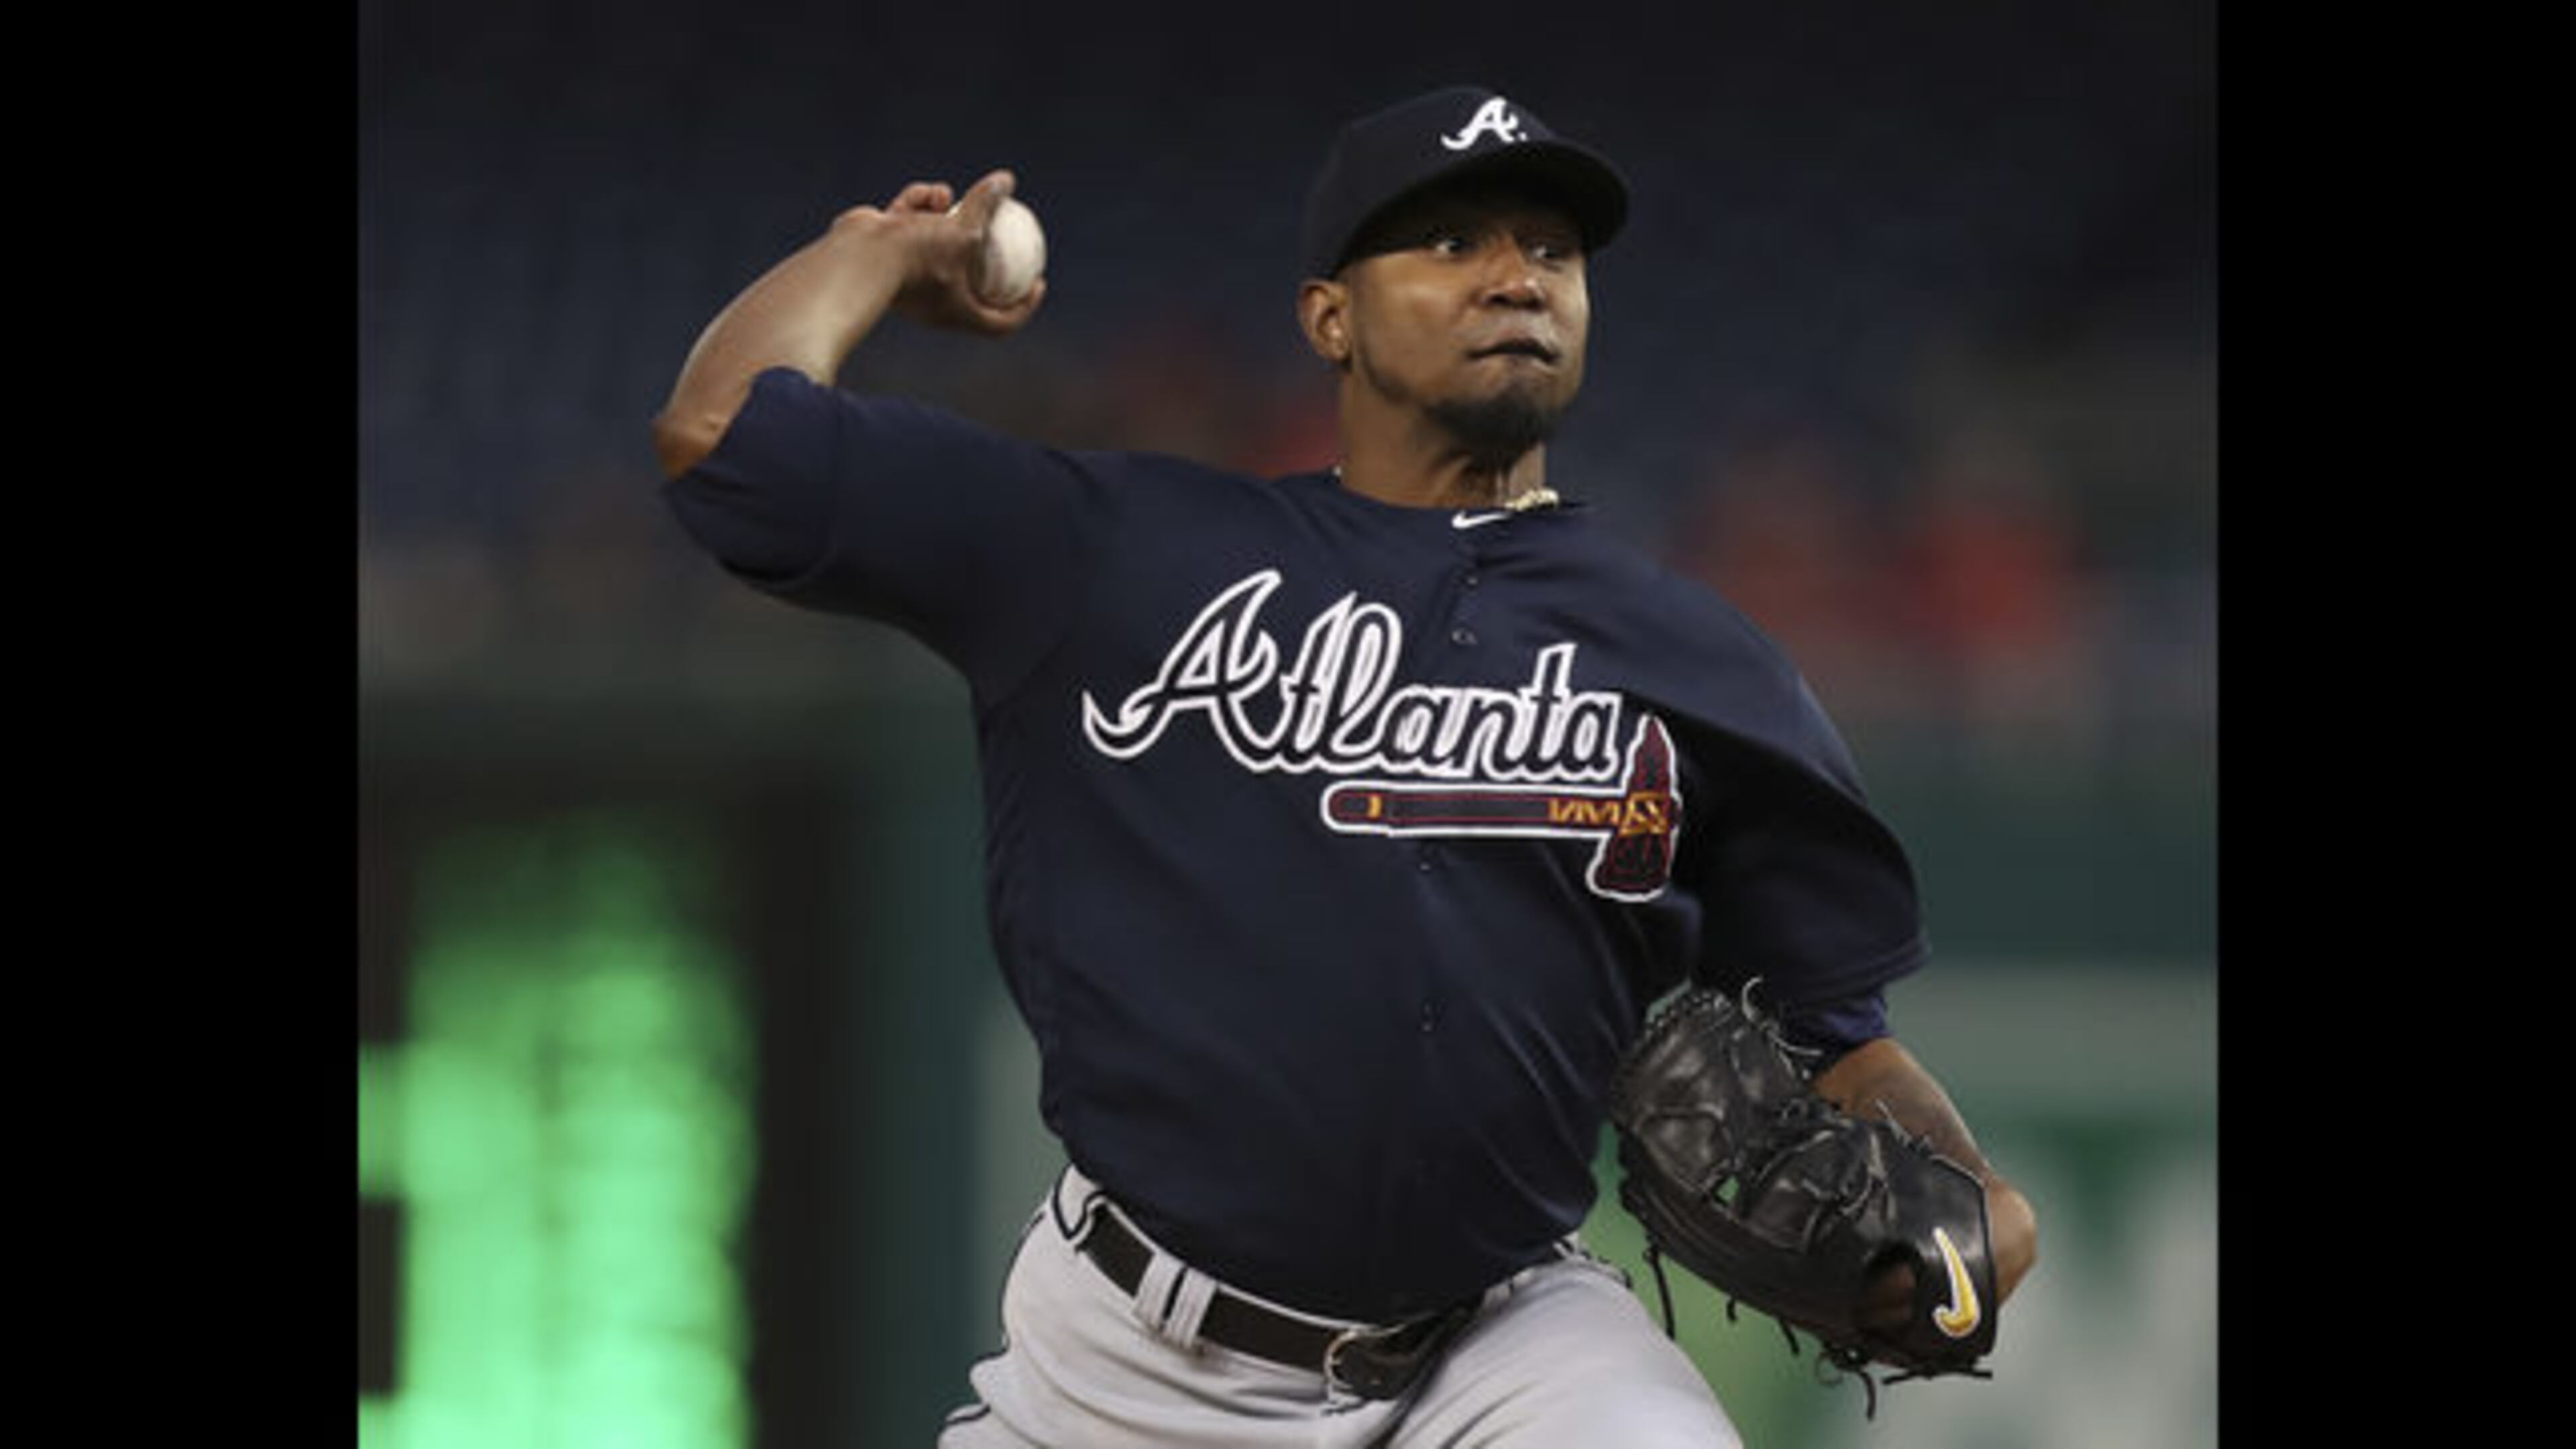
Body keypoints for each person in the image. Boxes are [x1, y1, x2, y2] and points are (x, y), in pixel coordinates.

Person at [651, 84, 2037, 1448]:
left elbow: (1833, 1024)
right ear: (1330, 317)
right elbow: (724, 442)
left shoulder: (1703, 664)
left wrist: (1974, 1197)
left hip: (1502, 1347)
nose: (1514, 278)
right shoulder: (1112, 554)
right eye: (1452, 244)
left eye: (1549, 252)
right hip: (1130, 1366)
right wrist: (877, 255)